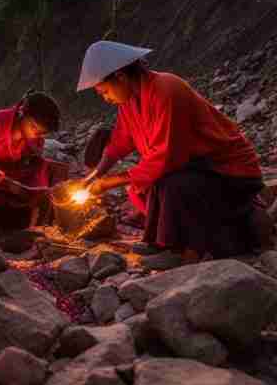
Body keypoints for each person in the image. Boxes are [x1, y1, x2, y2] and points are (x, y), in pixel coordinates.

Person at [78, 40, 264, 262]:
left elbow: (166, 158)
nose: (106, 99)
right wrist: (95, 174)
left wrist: (110, 182)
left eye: (104, 92)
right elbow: (120, 142)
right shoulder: (129, 102)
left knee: (169, 184)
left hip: (230, 172)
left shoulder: (167, 88)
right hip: (198, 169)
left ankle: (178, 249)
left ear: (120, 76)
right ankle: (164, 242)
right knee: (142, 187)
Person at [0, 91, 67, 226]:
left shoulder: (35, 140)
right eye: (33, 127)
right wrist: (14, 185)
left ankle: (43, 224)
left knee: (55, 170)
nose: (36, 134)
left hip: (15, 179)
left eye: (42, 133)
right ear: (22, 113)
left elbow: (33, 164)